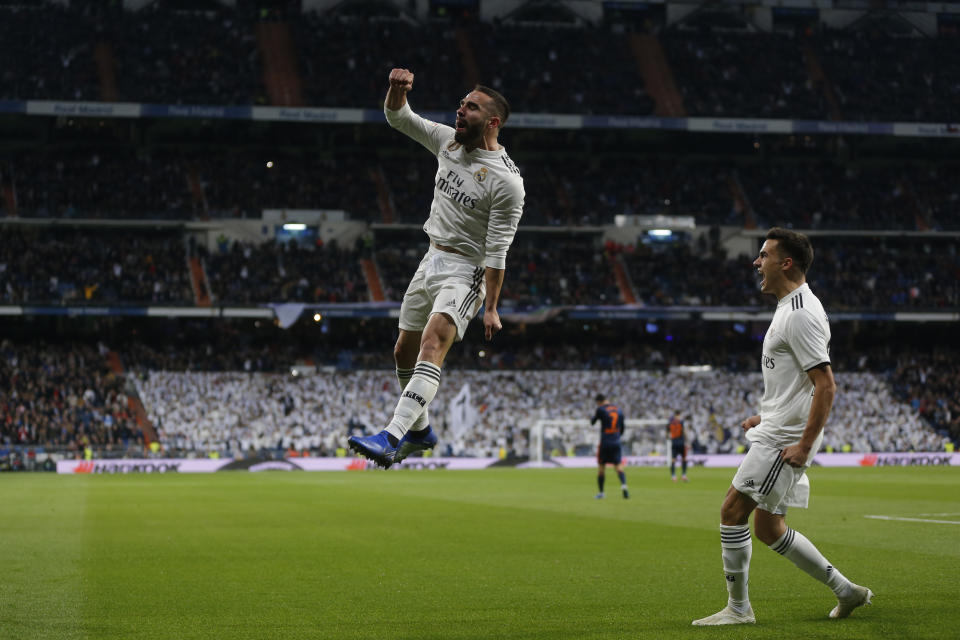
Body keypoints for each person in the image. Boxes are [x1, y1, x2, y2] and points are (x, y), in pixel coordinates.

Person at [692, 228, 872, 626]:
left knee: (732, 511)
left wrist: (804, 445)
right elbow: (798, 381)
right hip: (778, 426)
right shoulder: (791, 306)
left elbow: (826, 385)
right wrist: (766, 414)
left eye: (763, 255)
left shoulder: (800, 314)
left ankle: (739, 610)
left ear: (785, 262)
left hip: (786, 438)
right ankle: (847, 590)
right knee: (770, 527)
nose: (757, 262)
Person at [348, 68, 525, 468]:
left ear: (492, 122)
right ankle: (421, 430)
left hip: (467, 271)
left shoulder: (506, 183)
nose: (460, 111)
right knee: (402, 351)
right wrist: (396, 90)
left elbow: (498, 252)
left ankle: (390, 437)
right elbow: (399, 118)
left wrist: (492, 306)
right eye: (461, 104)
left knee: (432, 343)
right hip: (431, 259)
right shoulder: (448, 141)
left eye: (471, 107)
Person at [591, 393, 628, 499]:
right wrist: (616, 436)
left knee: (601, 467)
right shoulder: (618, 409)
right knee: (618, 465)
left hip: (605, 442)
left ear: (598, 402)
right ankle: (624, 486)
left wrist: (595, 416)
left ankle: (602, 493)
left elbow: (592, 422)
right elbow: (623, 427)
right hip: (616, 441)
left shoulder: (601, 409)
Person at [667, 410, 688, 482]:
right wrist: (687, 441)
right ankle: (684, 476)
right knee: (684, 459)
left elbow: (667, 433)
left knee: (673, 460)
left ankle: (673, 476)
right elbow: (684, 432)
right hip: (681, 443)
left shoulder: (670, 423)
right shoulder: (681, 422)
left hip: (674, 443)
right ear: (678, 415)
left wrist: (670, 438)